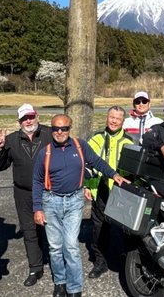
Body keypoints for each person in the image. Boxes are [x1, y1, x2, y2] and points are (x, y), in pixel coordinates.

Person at [33, 114, 128, 297]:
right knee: (54, 246)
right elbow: (37, 181)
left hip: (74, 200)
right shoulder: (45, 152)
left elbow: (97, 162)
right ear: (51, 130)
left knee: (70, 245)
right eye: (56, 129)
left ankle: (75, 287)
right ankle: (60, 282)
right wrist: (37, 208)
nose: (60, 132)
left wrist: (113, 174)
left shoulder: (80, 145)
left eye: (64, 128)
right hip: (51, 201)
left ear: (70, 128)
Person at [0, 103, 52, 287]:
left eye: (31, 116)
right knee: (29, 230)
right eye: (24, 118)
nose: (29, 120)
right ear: (19, 121)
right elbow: (0, 166)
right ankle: (35, 267)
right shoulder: (10, 139)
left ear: (37, 116)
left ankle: (56, 263)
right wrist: (0, 149)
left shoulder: (49, 134)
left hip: (47, 191)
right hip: (23, 192)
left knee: (50, 229)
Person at [84, 106, 133, 279]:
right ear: (107, 117)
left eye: (118, 119)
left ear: (123, 121)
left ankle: (126, 262)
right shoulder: (96, 138)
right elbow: (87, 164)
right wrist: (88, 186)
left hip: (120, 192)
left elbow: (135, 171)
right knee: (99, 229)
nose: (113, 121)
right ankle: (100, 262)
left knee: (124, 230)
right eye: (111, 117)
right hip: (100, 189)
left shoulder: (129, 141)